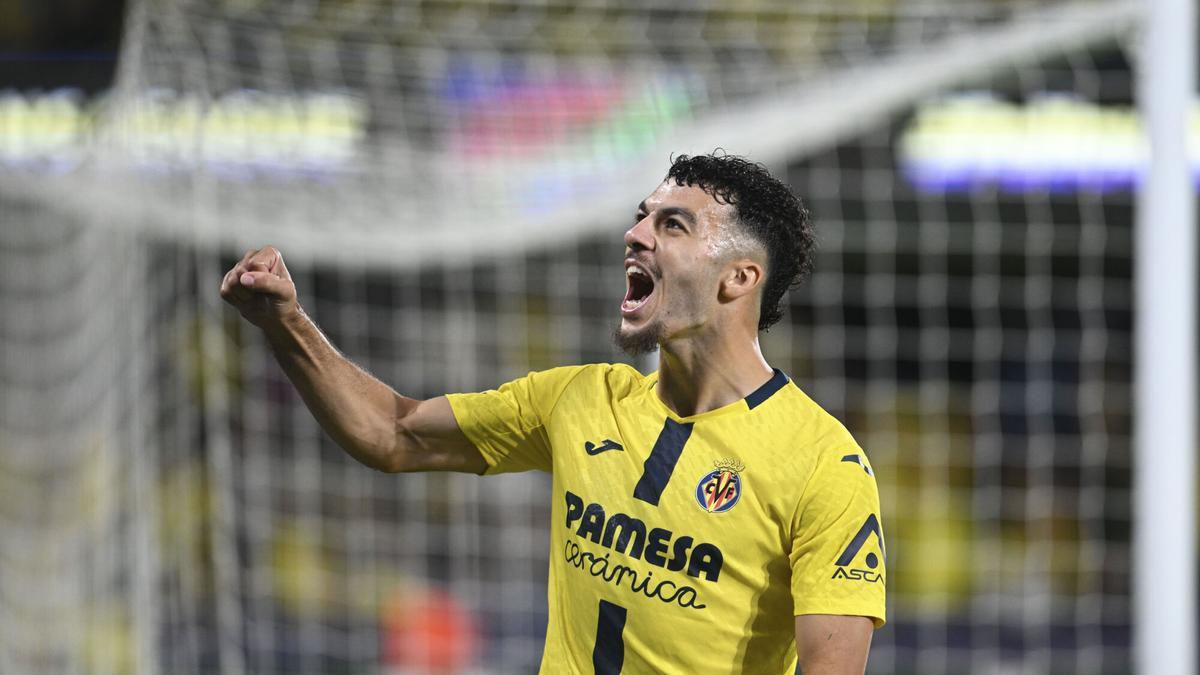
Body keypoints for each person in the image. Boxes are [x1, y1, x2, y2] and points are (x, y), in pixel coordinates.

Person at [220, 152, 885, 674]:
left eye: (671, 224)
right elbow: (393, 434)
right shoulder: (578, 399)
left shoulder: (824, 464)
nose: (634, 234)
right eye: (641, 216)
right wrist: (286, 321)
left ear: (737, 278)